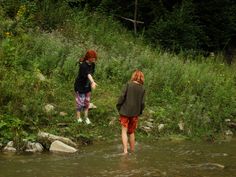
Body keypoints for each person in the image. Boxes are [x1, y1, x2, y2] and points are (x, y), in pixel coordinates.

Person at [116, 70, 145, 154]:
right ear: (142, 78)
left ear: (133, 76)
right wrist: (139, 112)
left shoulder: (128, 85)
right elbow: (143, 103)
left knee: (124, 131)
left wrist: (118, 106)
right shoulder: (142, 88)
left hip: (125, 111)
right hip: (135, 113)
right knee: (131, 132)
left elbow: (122, 97)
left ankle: (125, 151)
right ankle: (132, 150)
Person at [74, 50, 98, 124]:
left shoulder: (93, 64)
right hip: (80, 87)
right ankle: (78, 118)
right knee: (80, 103)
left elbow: (91, 73)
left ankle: (86, 118)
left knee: (87, 103)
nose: (94, 59)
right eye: (92, 58)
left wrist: (90, 83)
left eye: (94, 58)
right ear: (88, 58)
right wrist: (93, 82)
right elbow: (88, 74)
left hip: (87, 87)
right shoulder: (83, 65)